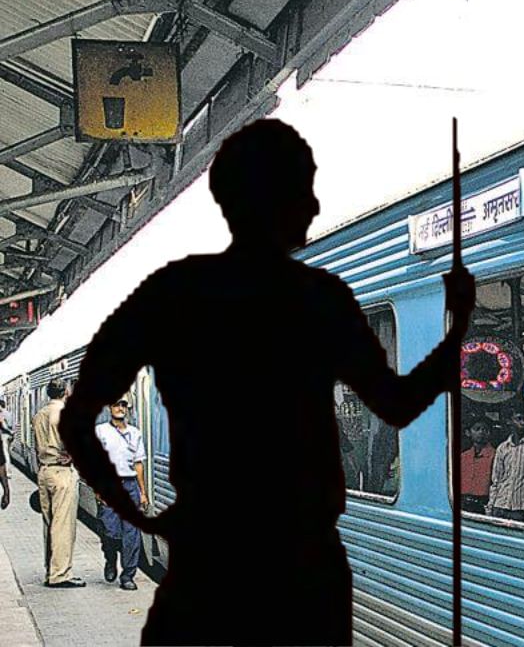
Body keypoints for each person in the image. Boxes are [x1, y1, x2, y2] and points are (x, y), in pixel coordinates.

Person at [57, 120, 476, 646]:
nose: (313, 205)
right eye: (303, 189)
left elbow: (76, 420)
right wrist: (456, 332)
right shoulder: (321, 298)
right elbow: (397, 403)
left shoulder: (172, 293)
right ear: (270, 200)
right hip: (304, 569)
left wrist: (136, 514)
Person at [33, 379, 84, 588]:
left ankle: (50, 570)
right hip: (62, 473)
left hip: (45, 471)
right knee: (63, 525)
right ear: (65, 392)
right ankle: (60, 574)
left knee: (49, 523)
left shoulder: (39, 414)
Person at [94, 398, 149, 590]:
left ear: (127, 408)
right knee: (109, 531)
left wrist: (142, 492)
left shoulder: (135, 433)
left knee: (131, 533)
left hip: (130, 485)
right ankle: (110, 559)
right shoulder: (101, 431)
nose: (120, 408)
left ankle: (128, 575)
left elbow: (139, 463)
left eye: (123, 405)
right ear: (110, 408)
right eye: (116, 405)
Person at [459, 417, 496, 514]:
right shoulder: (463, 456)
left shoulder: (495, 455)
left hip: (483, 504)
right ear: (468, 433)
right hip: (462, 502)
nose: (481, 432)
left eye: (485, 429)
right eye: (477, 429)